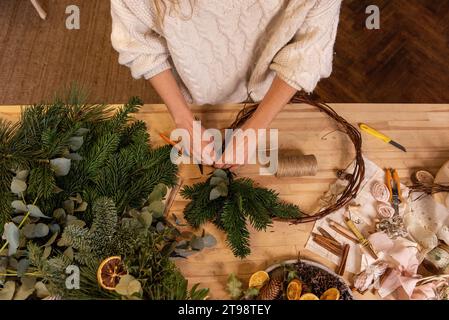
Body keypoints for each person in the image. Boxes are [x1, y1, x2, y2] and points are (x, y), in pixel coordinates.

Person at [111, 0, 342, 169]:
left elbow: (306, 54)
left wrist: (255, 128)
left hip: (267, 85)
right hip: (190, 82)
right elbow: (139, 44)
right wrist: (184, 120)